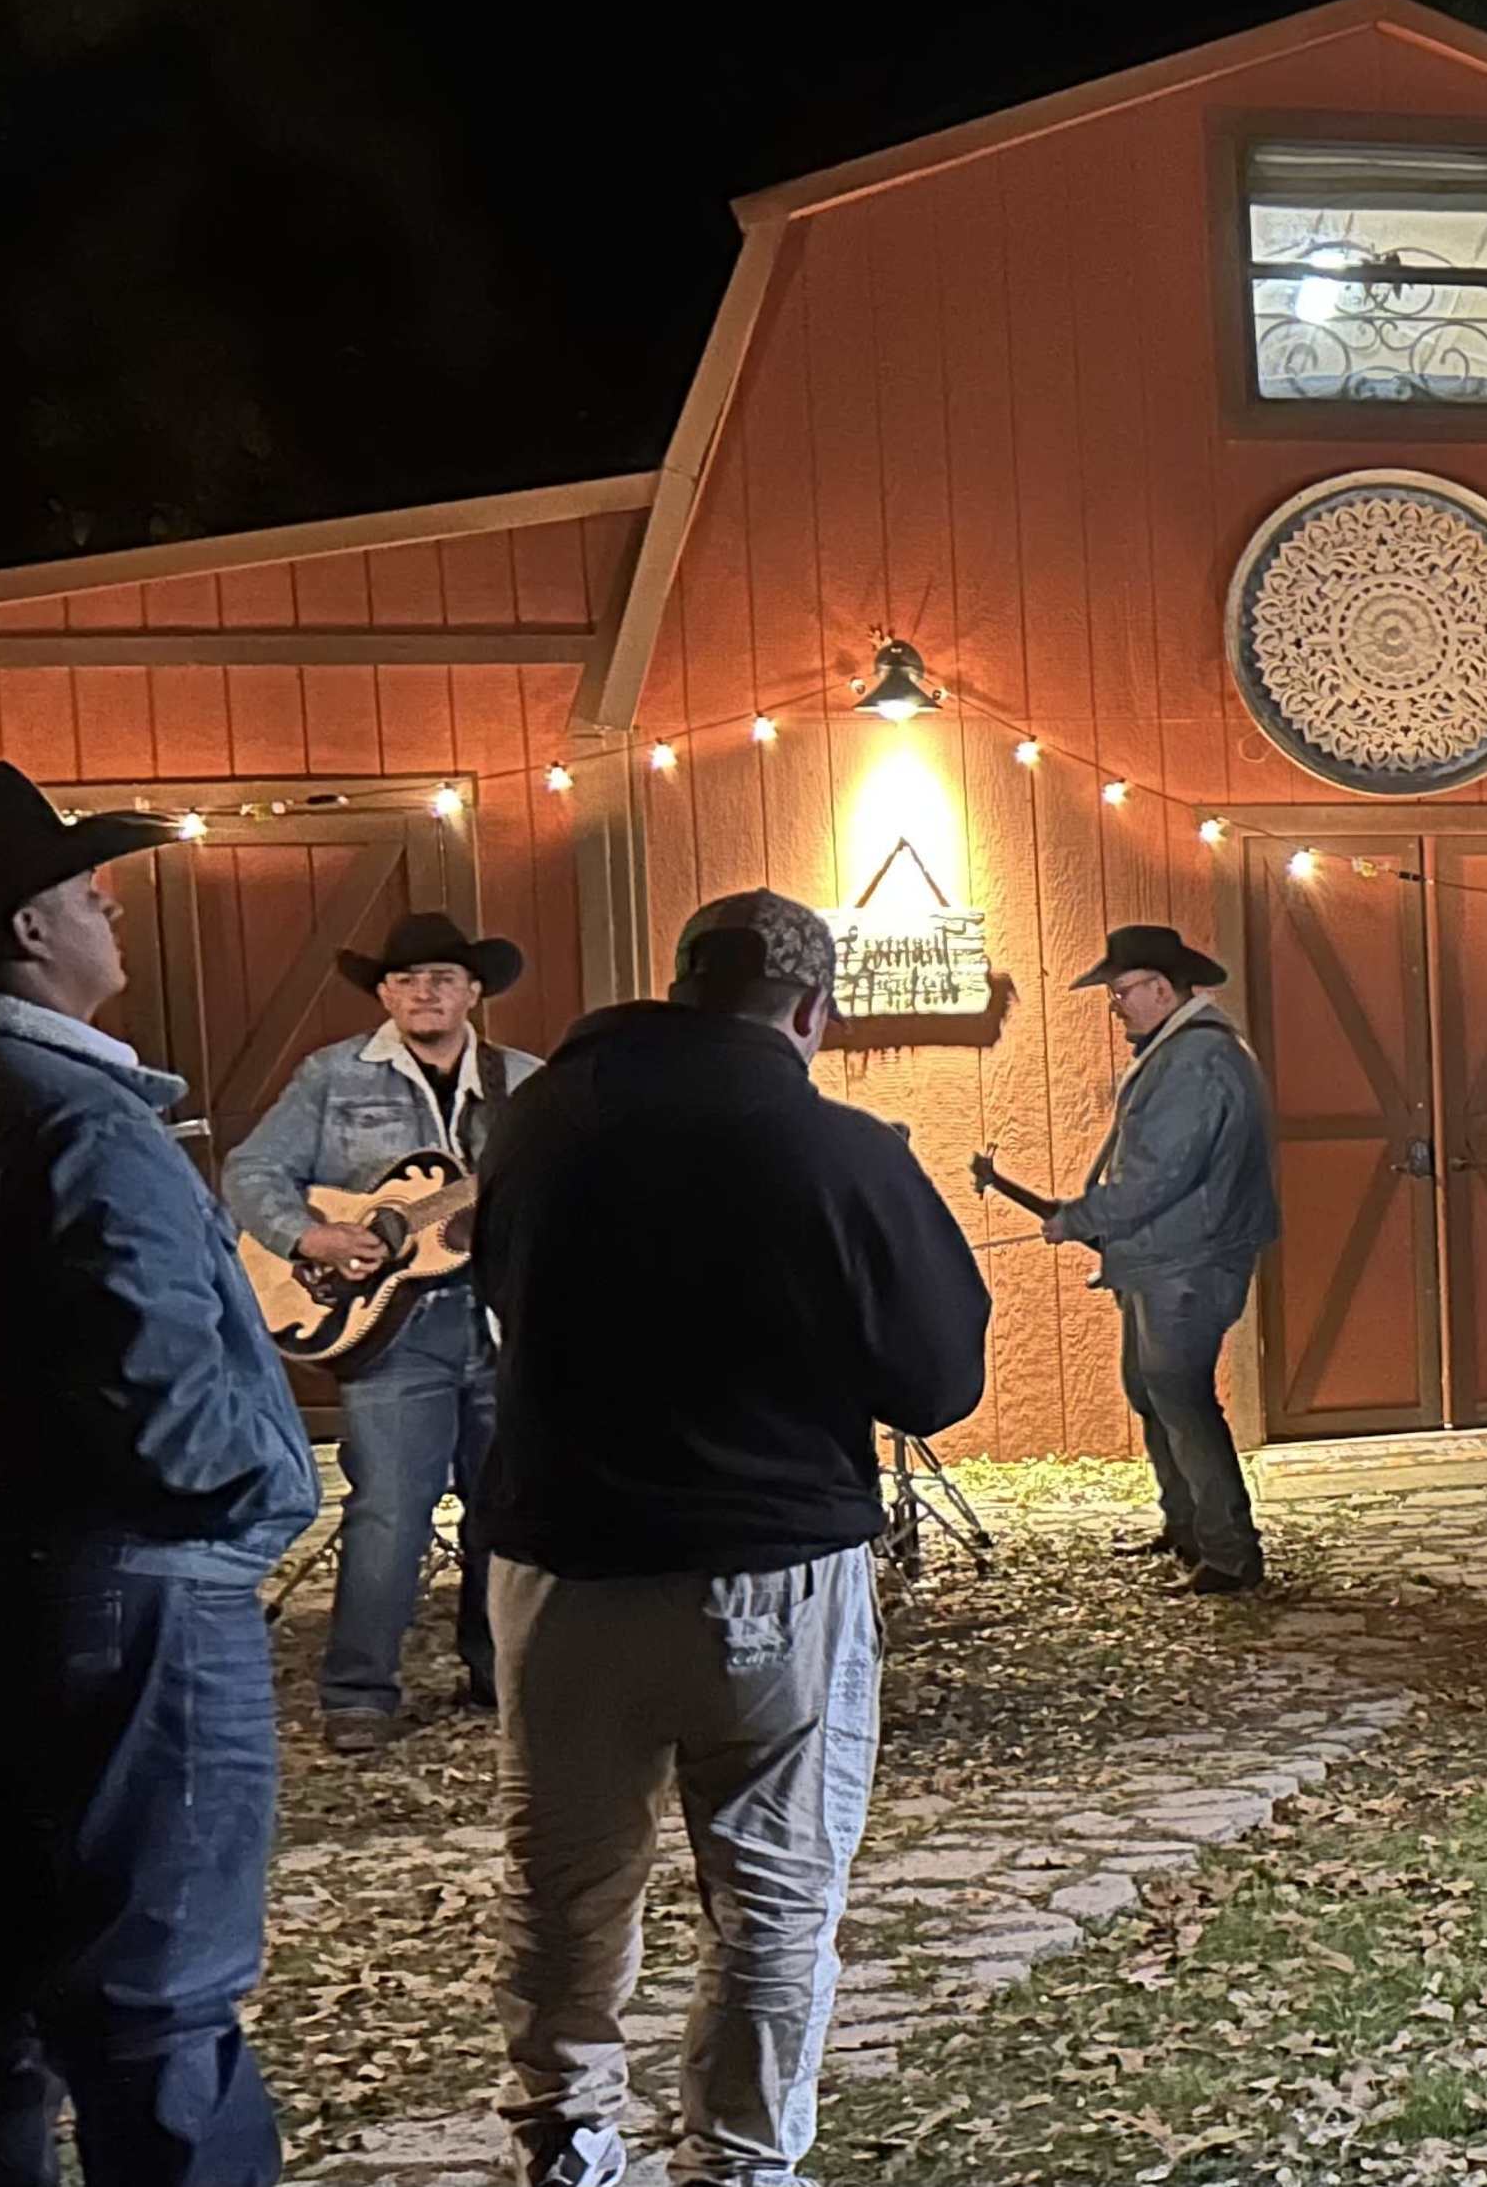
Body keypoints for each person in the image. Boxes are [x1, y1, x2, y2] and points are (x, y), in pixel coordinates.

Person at [0, 761, 319, 2186]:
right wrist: (262, 1497)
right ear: (29, 928)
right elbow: (170, 1413)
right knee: (156, 1996)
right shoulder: (71, 1119)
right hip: (119, 1603)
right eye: (83, 882)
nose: (110, 897)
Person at [471, 888, 988, 2187]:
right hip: (766, 1573)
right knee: (772, 1885)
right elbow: (936, 1378)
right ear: (809, 1010)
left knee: (567, 1869)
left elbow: (494, 1295)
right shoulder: (841, 1150)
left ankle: (568, 2124)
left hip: (562, 1563)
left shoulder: (537, 1120)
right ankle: (742, 2159)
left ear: (684, 979)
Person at [221, 912, 540, 1752]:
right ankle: (357, 1692)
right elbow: (252, 1171)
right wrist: (310, 1236)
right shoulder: (333, 1077)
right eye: (403, 980)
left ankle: (496, 1671)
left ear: (474, 990)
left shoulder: (527, 1084)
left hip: (504, 1322)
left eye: (440, 977)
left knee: (503, 1510)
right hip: (389, 1330)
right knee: (389, 1514)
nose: (421, 992)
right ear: (384, 994)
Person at [973, 923, 1280, 1595]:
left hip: (1189, 1260)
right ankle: (1188, 1527)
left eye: (1123, 993)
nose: (1116, 1007)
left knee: (1180, 1396)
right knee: (1151, 1390)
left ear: (1162, 988)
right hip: (1165, 1255)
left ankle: (1230, 1553)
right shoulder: (1179, 1053)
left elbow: (1158, 1174)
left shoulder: (1196, 1061)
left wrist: (1078, 1219)